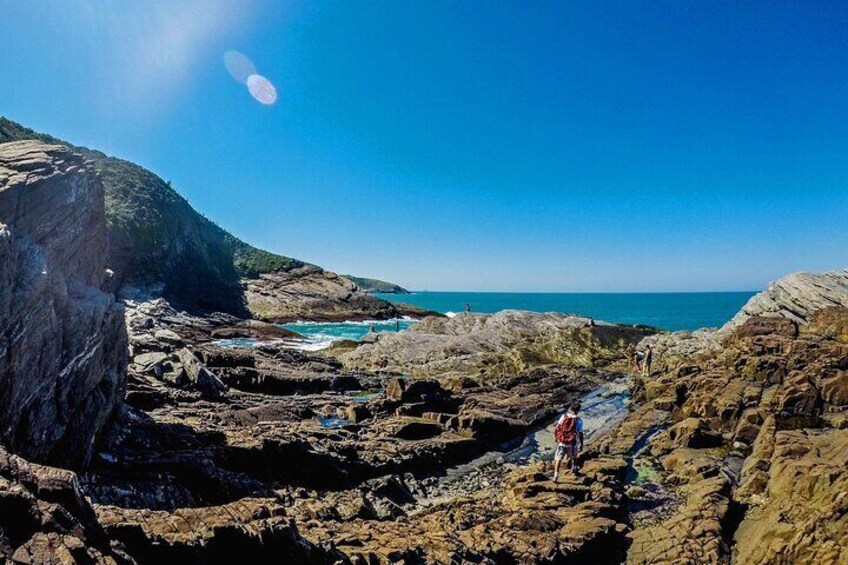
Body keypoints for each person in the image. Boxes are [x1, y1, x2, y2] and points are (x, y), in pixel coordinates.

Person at [553, 401, 584, 481]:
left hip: (562, 442)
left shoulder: (564, 416)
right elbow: (580, 433)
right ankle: (573, 468)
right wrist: (581, 444)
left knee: (558, 458)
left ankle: (555, 475)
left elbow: (557, 428)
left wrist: (556, 437)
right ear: (578, 410)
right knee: (574, 456)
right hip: (572, 443)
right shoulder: (578, 420)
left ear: (570, 408)